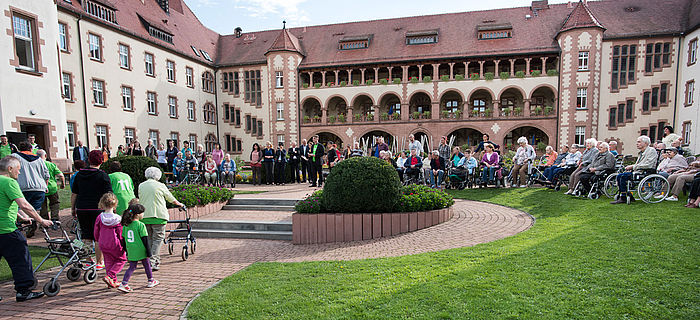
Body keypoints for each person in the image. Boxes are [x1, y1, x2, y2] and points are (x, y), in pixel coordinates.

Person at [0, 156, 52, 302]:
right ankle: (24, 291)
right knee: (20, 259)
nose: (19, 173)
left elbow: (4, 202)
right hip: (7, 230)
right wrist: (40, 220)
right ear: (10, 169)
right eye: (18, 169)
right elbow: (24, 204)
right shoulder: (9, 182)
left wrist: (21, 217)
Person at [138, 167, 185, 271]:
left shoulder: (141, 185)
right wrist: (180, 204)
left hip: (144, 216)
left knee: (150, 238)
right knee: (158, 239)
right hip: (158, 215)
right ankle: (153, 261)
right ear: (158, 175)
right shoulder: (160, 185)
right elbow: (171, 198)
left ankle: (153, 259)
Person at [72, 150, 112, 268]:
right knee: (98, 236)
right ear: (101, 161)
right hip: (97, 208)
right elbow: (108, 194)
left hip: (82, 208)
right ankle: (99, 262)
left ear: (88, 160)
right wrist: (110, 209)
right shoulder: (102, 175)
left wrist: (73, 208)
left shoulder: (79, 174)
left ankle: (88, 259)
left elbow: (74, 193)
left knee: (86, 235)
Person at [10, 142, 50, 237]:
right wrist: (46, 186)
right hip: (39, 188)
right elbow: (46, 175)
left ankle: (22, 227)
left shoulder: (14, 157)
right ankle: (33, 223)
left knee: (21, 208)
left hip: (23, 187)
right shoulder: (39, 159)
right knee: (34, 209)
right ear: (31, 149)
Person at [118, 202, 159, 293]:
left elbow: (123, 239)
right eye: (142, 213)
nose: (143, 214)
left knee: (132, 267)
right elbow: (145, 240)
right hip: (141, 249)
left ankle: (124, 283)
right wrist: (148, 251)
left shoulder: (126, 226)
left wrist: (125, 250)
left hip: (131, 249)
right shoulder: (140, 225)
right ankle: (150, 280)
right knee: (146, 264)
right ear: (137, 215)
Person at [611, 136, 658, 204]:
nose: (637, 144)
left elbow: (648, 165)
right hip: (638, 171)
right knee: (620, 176)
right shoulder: (641, 153)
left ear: (645, 143)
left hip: (646, 172)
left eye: (639, 142)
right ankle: (624, 194)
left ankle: (623, 196)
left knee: (622, 176)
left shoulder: (651, 151)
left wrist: (633, 167)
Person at [93, 193, 126, 288]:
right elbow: (120, 233)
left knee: (108, 262)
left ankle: (112, 281)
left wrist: (97, 239)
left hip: (103, 243)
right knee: (121, 259)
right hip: (114, 243)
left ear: (102, 204)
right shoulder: (118, 219)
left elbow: (96, 230)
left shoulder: (100, 217)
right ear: (115, 204)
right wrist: (123, 243)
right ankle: (110, 276)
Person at [38, 150, 64, 221]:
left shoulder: (35, 165)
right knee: (54, 203)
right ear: (45, 156)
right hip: (52, 187)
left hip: (41, 188)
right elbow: (61, 175)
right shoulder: (51, 165)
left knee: (43, 205)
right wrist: (62, 184)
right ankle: (55, 218)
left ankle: (44, 219)